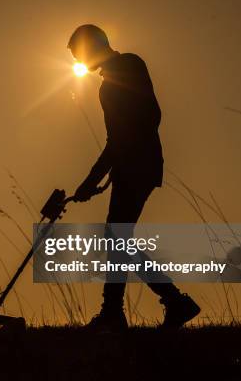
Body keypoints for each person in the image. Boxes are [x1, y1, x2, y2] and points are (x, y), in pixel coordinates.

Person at [68, 24, 200, 331]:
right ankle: (142, 306)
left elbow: (138, 124)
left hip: (138, 166)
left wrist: (92, 179)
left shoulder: (125, 69)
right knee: (117, 238)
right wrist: (100, 175)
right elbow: (120, 136)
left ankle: (136, 308)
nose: (79, 62)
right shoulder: (119, 75)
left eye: (79, 54)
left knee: (116, 237)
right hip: (137, 165)